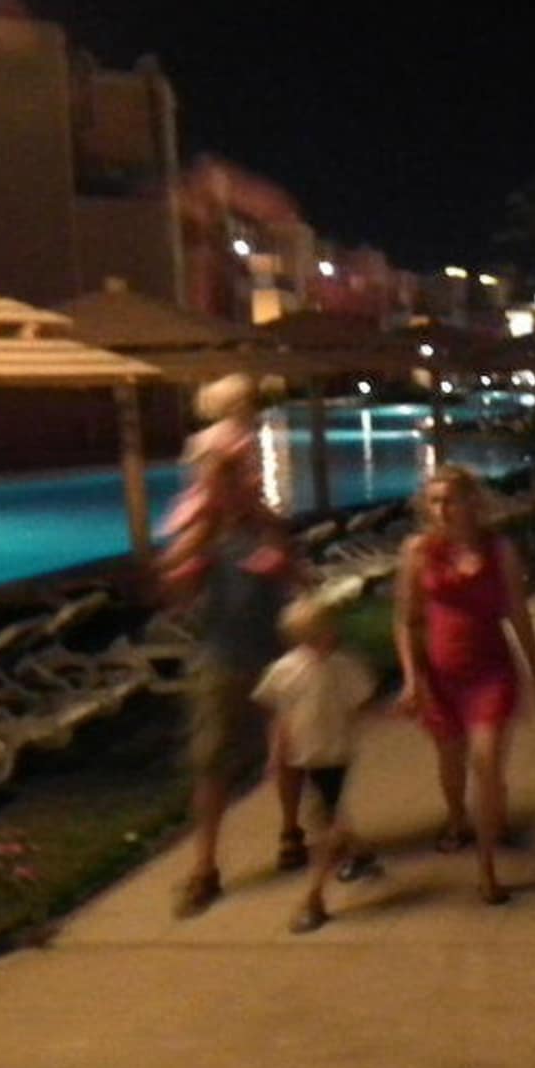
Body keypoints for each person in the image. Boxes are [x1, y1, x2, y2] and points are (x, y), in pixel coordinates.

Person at [394, 466, 535, 906]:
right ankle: (458, 818)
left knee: (485, 763)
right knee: (451, 763)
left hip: (490, 673)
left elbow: (518, 613)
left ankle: (486, 868)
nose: (442, 510)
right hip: (440, 677)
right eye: (434, 501)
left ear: (472, 503)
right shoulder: (418, 552)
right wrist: (411, 678)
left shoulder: (499, 550)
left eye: (451, 500)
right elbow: (406, 619)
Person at [162, 473, 304, 918]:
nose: (238, 491)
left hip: (275, 657)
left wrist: (282, 564)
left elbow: (301, 582)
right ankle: (205, 866)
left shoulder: (268, 527)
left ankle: (291, 833)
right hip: (221, 660)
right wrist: (189, 560)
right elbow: (174, 594)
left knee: (289, 752)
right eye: (226, 484)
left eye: (242, 482)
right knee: (212, 763)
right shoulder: (203, 536)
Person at [253, 597, 382, 934]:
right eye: (312, 637)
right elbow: (280, 715)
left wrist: (392, 713)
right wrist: (276, 754)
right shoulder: (285, 671)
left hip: (335, 755)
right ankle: (359, 853)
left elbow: (362, 704)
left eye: (325, 633)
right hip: (305, 756)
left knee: (324, 826)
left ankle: (314, 898)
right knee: (331, 819)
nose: (323, 641)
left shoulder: (343, 668)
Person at [159, 374, 291, 595]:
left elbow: (204, 484)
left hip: (207, 514)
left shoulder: (202, 439)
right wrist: (265, 520)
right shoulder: (237, 439)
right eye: (250, 401)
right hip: (231, 522)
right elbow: (224, 488)